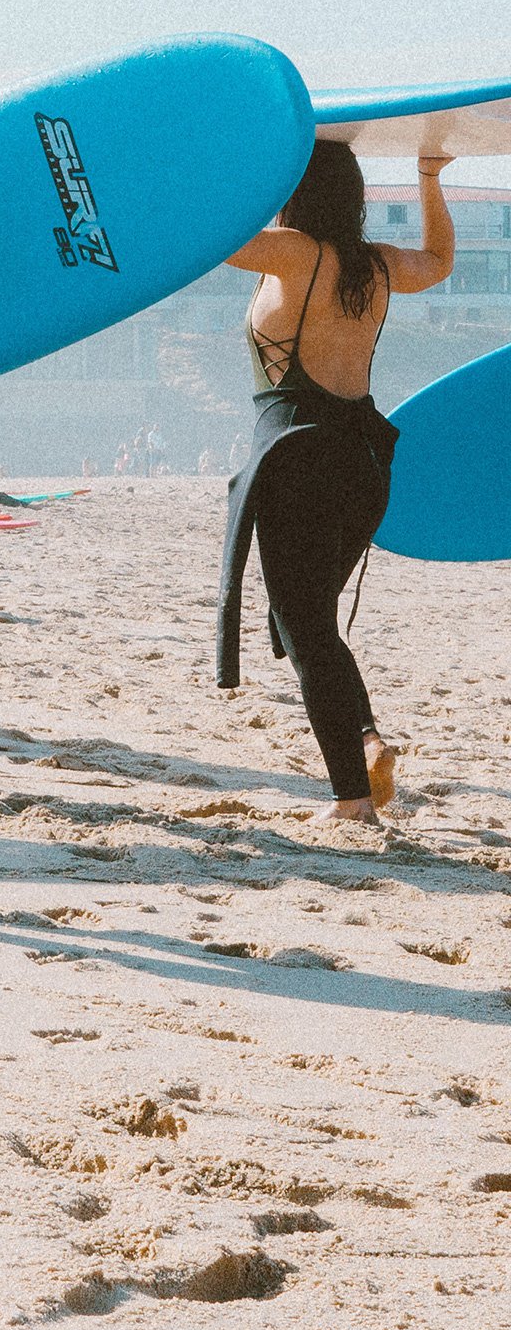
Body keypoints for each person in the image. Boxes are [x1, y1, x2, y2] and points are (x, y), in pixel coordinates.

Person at [218, 143, 454, 823]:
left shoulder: (294, 253)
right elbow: (438, 262)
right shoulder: (374, 264)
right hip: (364, 462)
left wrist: (256, 160)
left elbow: (215, 238)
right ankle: (368, 740)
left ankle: (352, 799)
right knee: (312, 622)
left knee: (307, 629)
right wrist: (428, 177)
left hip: (301, 458)